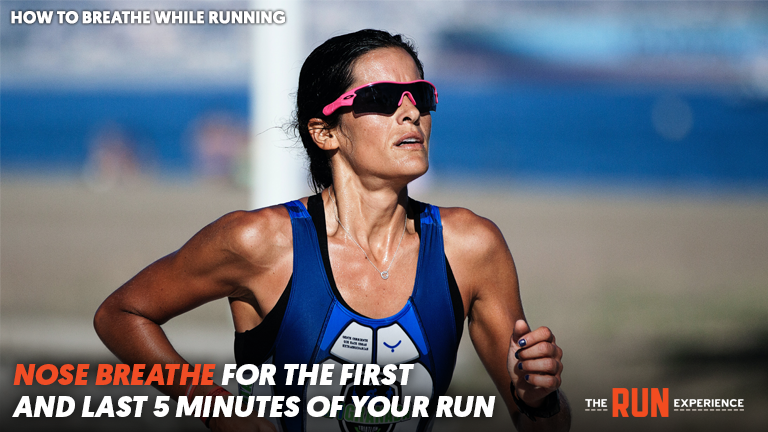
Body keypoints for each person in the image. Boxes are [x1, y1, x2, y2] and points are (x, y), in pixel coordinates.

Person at [94, 29, 570, 432]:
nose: (410, 113)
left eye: (420, 96)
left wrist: (538, 398)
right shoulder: (261, 242)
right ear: (325, 132)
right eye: (382, 99)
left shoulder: (470, 246)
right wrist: (216, 409)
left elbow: (543, 423)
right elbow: (121, 313)